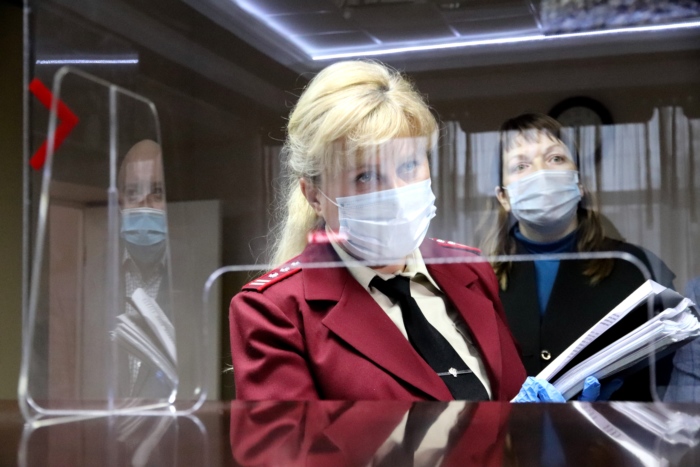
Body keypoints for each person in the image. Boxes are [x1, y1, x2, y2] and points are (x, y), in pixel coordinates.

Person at [228, 60, 527, 401]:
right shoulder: (276, 311)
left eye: (409, 165)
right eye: (366, 176)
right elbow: (291, 437)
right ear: (314, 195)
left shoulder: (468, 269)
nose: (397, 193)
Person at [484, 112, 675, 400]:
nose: (540, 174)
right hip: (512, 428)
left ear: (579, 184)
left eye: (555, 158)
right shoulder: (479, 281)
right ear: (503, 197)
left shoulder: (636, 268)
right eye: (521, 165)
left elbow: (664, 372)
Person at [114, 139, 177, 399]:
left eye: (157, 193)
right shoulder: (88, 278)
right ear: (120, 202)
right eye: (133, 193)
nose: (144, 204)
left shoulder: (195, 277)